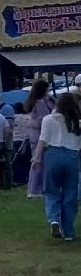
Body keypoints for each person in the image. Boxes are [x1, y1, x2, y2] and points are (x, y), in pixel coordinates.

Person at [40, 91, 81, 242]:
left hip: (53, 154)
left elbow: (43, 141)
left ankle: (54, 219)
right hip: (72, 156)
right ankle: (69, 232)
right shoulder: (77, 122)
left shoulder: (48, 119)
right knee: (70, 195)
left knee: (52, 191)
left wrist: (37, 159)